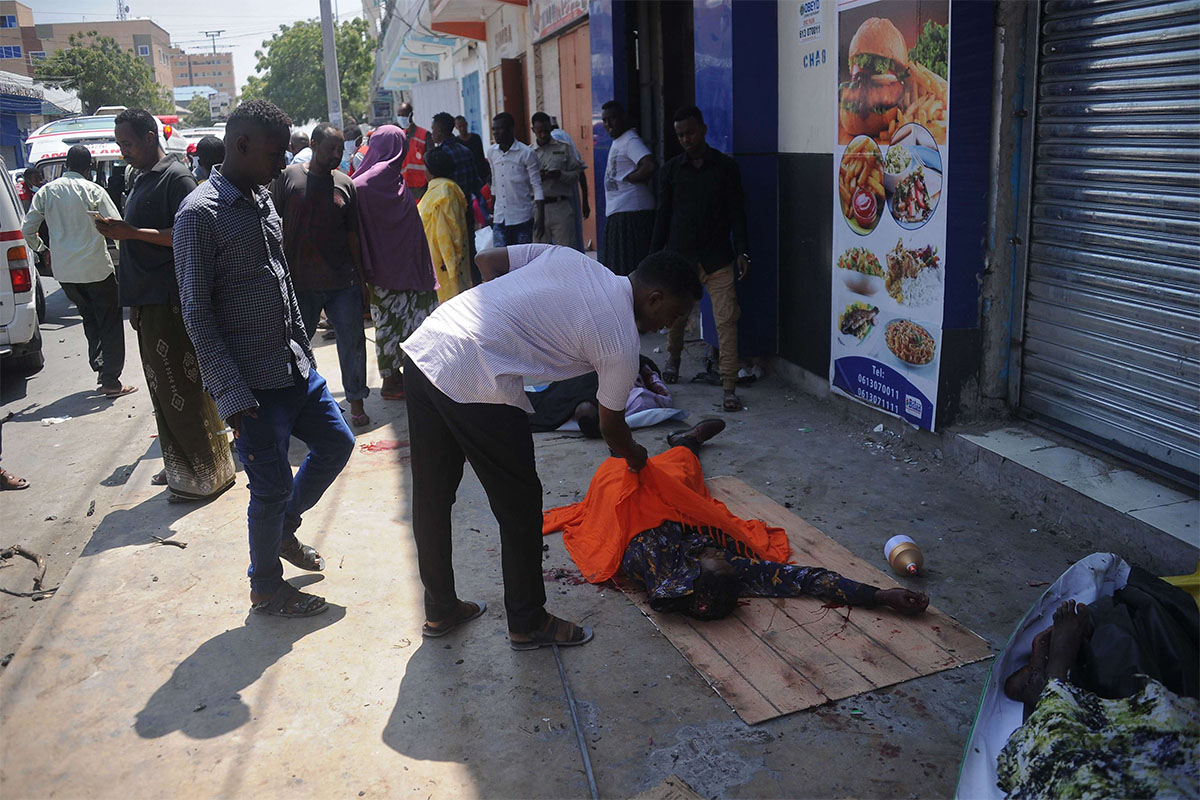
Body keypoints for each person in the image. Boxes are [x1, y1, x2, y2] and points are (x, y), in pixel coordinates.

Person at [400, 243, 701, 650]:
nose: (669, 325)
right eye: (674, 315)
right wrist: (636, 458)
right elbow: (612, 428)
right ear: (654, 299)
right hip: (477, 368)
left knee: (432, 495)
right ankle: (527, 621)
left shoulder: (572, 258)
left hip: (429, 343)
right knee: (520, 503)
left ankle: (440, 609)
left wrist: (504, 317)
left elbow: (487, 259)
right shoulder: (621, 342)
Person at [174, 99, 355, 618]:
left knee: (337, 444)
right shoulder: (199, 216)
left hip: (293, 367)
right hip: (251, 386)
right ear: (242, 145)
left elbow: (282, 283)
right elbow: (196, 312)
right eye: (277, 153)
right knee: (269, 488)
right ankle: (267, 587)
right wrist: (228, 393)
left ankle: (284, 531)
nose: (285, 162)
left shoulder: (261, 199)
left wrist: (304, 347)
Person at [553, 418, 929, 620]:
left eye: (715, 556)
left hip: (620, 496)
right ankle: (688, 440)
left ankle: (662, 442)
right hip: (667, 501)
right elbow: (807, 580)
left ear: (694, 572)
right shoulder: (725, 573)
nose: (722, 551)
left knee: (640, 469)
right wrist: (878, 595)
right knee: (683, 471)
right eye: (723, 556)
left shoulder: (653, 555)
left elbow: (624, 516)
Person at [89, 108, 235, 501]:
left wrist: (129, 232)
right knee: (165, 395)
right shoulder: (142, 178)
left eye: (128, 144)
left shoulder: (177, 178)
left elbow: (190, 234)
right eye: (120, 145)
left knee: (181, 390)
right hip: (149, 302)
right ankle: (184, 468)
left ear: (151, 137)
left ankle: (206, 475)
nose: (123, 152)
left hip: (172, 301)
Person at [271, 122, 371, 428]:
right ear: (313, 144)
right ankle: (300, 406)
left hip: (343, 283)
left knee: (352, 344)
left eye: (340, 149)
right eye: (331, 148)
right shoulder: (289, 178)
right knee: (296, 348)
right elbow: (272, 227)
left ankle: (356, 402)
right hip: (300, 283)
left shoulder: (345, 184)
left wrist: (362, 280)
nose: (337, 155)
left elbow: (354, 235)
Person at [653, 105, 751, 412]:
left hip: (718, 257)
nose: (686, 139)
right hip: (680, 257)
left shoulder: (725, 167)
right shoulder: (670, 170)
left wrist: (742, 252)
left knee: (727, 320)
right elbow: (663, 216)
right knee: (676, 318)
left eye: (690, 132)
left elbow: (738, 212)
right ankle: (673, 359)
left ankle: (729, 387)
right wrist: (654, 258)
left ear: (703, 130)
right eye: (680, 135)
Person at [22, 146, 135, 398]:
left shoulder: (46, 192)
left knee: (89, 318)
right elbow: (116, 228)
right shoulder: (93, 190)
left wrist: (43, 249)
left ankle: (100, 366)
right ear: (90, 167)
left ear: (65, 165)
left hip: (65, 273)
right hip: (96, 269)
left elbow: (27, 229)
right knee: (109, 322)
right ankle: (111, 381)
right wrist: (128, 262)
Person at [352, 125, 439, 401]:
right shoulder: (368, 184)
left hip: (393, 269)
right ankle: (395, 380)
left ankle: (398, 377)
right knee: (407, 321)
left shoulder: (383, 179)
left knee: (392, 323)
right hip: (397, 268)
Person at [599, 101, 657, 276]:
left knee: (630, 270)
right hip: (620, 212)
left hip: (632, 214)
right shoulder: (620, 141)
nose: (608, 124)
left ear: (623, 118)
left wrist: (631, 177)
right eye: (605, 120)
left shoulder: (630, 140)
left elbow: (649, 165)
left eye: (613, 118)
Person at [428, 112, 486, 284]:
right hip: (466, 209)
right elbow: (476, 181)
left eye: (433, 129)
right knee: (469, 251)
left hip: (447, 213)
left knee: (451, 254)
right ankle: (475, 287)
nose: (432, 133)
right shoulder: (466, 151)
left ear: (439, 131)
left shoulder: (439, 156)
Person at [417, 147, 469, 304]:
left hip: (443, 268)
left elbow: (447, 235)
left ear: (430, 171)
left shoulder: (443, 192)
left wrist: (451, 270)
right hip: (437, 265)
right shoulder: (441, 190)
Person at [487, 112, 544, 247]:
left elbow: (537, 186)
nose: (496, 133)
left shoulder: (526, 153)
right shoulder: (492, 153)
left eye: (499, 128)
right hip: (500, 218)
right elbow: (495, 184)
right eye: (493, 129)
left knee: (521, 261)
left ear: (511, 129)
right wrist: (492, 213)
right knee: (501, 262)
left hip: (522, 218)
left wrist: (540, 218)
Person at [531, 112, 585, 251]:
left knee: (566, 252)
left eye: (546, 130)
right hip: (538, 209)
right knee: (540, 254)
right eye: (539, 131)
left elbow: (576, 174)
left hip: (560, 206)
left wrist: (560, 175)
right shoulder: (529, 153)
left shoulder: (564, 148)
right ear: (533, 131)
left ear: (551, 128)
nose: (543, 135)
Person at [551, 120, 591, 250]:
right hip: (568, 199)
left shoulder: (558, 141)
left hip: (561, 200)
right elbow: (581, 174)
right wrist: (585, 201)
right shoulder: (568, 142)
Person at [396, 102, 429, 200]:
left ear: (411, 115)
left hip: (422, 187)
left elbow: (430, 161)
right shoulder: (399, 136)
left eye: (404, 115)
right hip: (404, 187)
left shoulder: (424, 135)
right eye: (399, 115)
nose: (401, 118)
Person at [453, 114, 490, 184]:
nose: (462, 128)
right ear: (456, 127)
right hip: (466, 174)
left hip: (480, 173)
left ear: (466, 124)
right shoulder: (456, 141)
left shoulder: (476, 138)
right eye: (459, 126)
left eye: (463, 125)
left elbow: (481, 156)